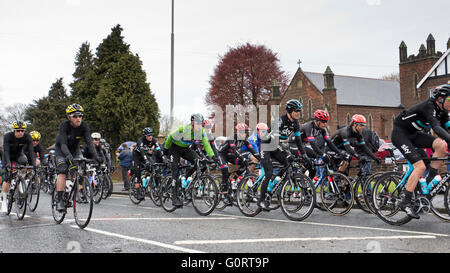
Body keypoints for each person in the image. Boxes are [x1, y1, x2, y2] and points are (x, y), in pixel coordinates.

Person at [392, 84, 450, 219]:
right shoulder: (429, 106)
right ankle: (405, 201)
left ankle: (429, 183)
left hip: (414, 134)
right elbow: (436, 127)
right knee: (420, 166)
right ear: (440, 99)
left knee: (441, 145)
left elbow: (447, 129)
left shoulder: (443, 112)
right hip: (401, 134)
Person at [258, 99, 311, 211]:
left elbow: (298, 141)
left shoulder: (296, 123)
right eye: (296, 111)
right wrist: (286, 153)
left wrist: (304, 155)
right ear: (290, 111)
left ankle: (274, 183)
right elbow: (275, 141)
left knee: (288, 163)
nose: (298, 113)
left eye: (299, 111)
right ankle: (261, 200)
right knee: (269, 171)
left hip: (276, 146)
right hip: (267, 146)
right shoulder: (280, 121)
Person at [54, 104, 101, 212]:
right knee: (62, 171)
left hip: (75, 150)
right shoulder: (64, 126)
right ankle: (60, 200)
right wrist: (67, 155)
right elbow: (63, 144)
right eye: (75, 116)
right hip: (62, 150)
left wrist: (96, 156)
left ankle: (72, 190)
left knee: (78, 168)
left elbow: (89, 143)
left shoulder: (84, 126)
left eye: (80, 116)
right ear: (69, 117)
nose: (78, 118)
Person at [163, 113, 217, 207]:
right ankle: (175, 197)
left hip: (186, 149)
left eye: (200, 124)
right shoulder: (183, 129)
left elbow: (206, 145)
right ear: (192, 123)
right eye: (197, 123)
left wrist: (213, 157)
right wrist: (166, 150)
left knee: (201, 163)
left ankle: (186, 178)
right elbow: (170, 137)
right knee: (175, 171)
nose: (199, 126)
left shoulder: (201, 132)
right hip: (174, 149)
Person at [217, 123, 261, 206]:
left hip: (231, 156)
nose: (246, 134)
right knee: (225, 171)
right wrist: (242, 158)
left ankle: (234, 178)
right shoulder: (232, 138)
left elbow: (253, 150)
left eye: (246, 132)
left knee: (245, 163)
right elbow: (234, 150)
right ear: (239, 132)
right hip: (222, 155)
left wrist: (261, 158)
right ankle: (225, 195)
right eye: (244, 132)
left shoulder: (245, 140)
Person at [301, 110, 349, 178]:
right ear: (317, 121)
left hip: (303, 145)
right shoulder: (309, 126)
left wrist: (340, 153)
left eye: (326, 121)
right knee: (311, 160)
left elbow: (329, 143)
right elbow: (313, 145)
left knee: (313, 168)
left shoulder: (323, 129)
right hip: (295, 144)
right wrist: (323, 155)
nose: (325, 124)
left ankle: (309, 186)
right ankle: (301, 172)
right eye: (323, 122)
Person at [1, 121, 36, 213]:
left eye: (22, 130)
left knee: (24, 161)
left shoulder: (27, 136)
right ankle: (4, 201)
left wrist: (33, 164)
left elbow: (31, 151)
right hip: (8, 156)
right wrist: (8, 163)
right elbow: (6, 151)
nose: (20, 132)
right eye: (18, 130)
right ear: (14, 130)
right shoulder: (8, 136)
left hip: (18, 155)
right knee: (8, 177)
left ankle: (21, 181)